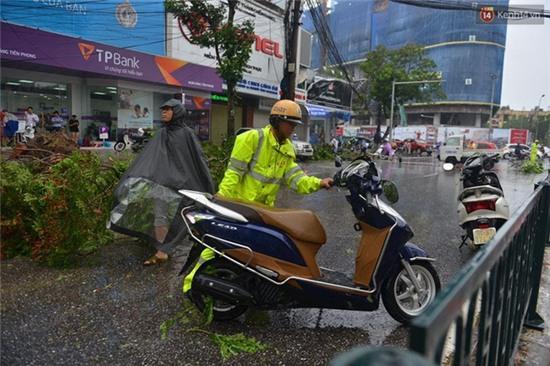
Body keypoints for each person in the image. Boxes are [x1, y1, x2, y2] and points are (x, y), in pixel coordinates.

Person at [109, 99, 215, 266]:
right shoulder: (161, 134)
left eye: (168, 109)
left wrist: (207, 185)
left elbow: (198, 160)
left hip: (183, 186)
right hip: (162, 185)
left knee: (184, 217)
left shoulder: (187, 134)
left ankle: (183, 247)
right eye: (163, 110)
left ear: (177, 112)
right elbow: (149, 159)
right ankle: (161, 251)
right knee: (160, 216)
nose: (163, 112)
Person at [218, 99, 333, 207]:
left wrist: (319, 183)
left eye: (295, 125)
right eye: (290, 124)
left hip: (264, 210)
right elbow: (234, 173)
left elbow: (297, 179)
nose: (293, 128)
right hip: (241, 206)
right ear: (276, 121)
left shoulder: (287, 149)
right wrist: (221, 199)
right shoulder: (252, 138)